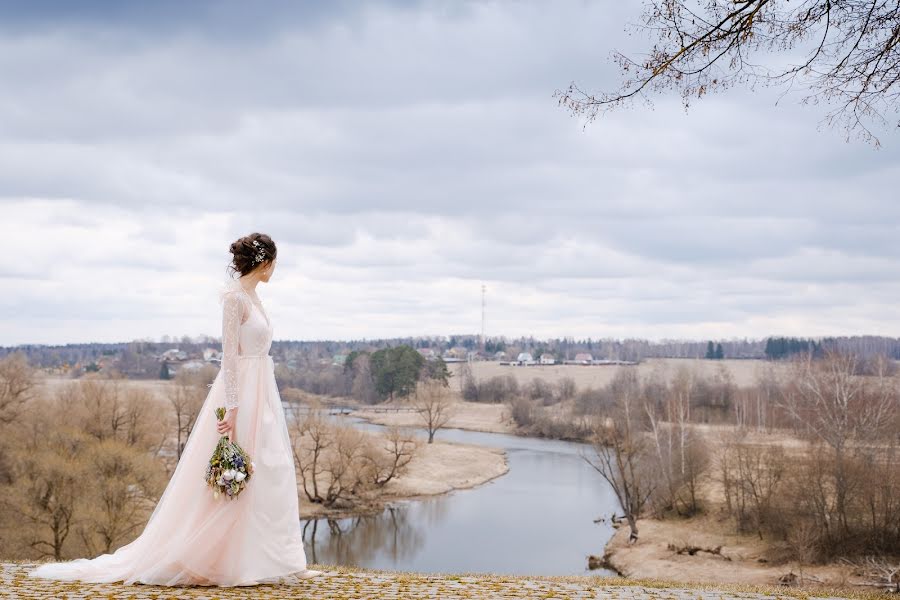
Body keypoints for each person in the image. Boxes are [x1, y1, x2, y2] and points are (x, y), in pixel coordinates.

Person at [27, 233, 321, 587]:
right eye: (274, 263)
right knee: (242, 473)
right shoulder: (234, 299)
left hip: (263, 391)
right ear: (264, 262)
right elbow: (230, 355)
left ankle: (285, 559)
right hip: (242, 391)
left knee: (274, 468)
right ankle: (231, 560)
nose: (275, 270)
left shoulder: (255, 297)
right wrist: (232, 407)